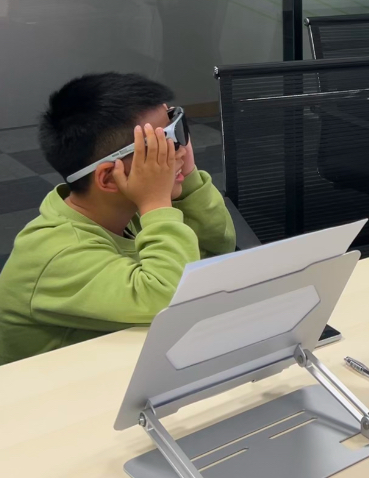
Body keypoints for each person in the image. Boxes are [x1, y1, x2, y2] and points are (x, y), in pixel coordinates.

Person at [0, 73, 236, 365]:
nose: (177, 150)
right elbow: (170, 302)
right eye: (160, 145)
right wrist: (156, 203)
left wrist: (186, 178)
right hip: (47, 389)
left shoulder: (129, 213)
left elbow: (216, 250)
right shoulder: (53, 253)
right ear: (109, 177)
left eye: (178, 127)